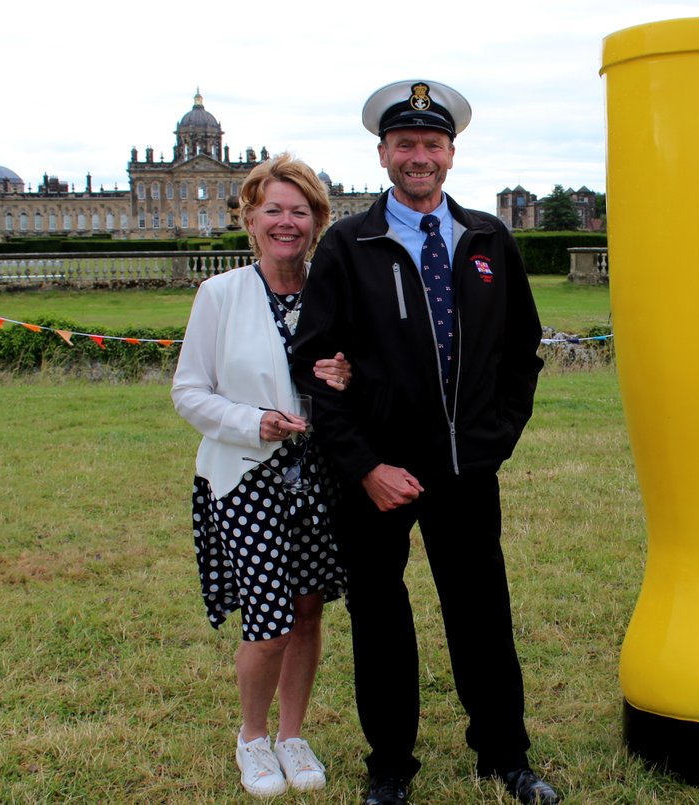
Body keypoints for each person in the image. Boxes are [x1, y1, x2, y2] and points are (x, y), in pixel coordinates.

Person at [291, 81, 558, 805]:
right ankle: (389, 768)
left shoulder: (487, 240)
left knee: (481, 614)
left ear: (450, 153)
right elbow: (314, 366)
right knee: (380, 619)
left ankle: (505, 754)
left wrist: (495, 438)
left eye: (431, 145)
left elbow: (522, 350)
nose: (419, 157)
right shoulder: (349, 245)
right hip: (376, 473)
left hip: (467, 470)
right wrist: (366, 465)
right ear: (382, 154)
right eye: (405, 144)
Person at [172, 154, 352, 798]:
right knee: (269, 620)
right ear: (249, 218)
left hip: (321, 480)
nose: (286, 222)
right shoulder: (220, 293)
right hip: (245, 477)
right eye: (272, 209)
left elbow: (361, 378)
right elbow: (189, 393)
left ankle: (292, 734)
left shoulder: (334, 291)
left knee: (307, 613)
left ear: (317, 222)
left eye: (299, 211)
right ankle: (252, 737)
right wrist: (253, 421)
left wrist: (348, 380)